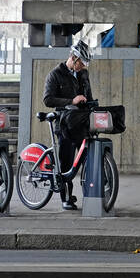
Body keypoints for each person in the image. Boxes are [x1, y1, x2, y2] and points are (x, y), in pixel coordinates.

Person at [42, 40, 94, 211]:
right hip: (64, 124)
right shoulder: (55, 75)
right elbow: (48, 99)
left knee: (89, 156)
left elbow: (89, 97)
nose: (83, 66)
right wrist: (71, 101)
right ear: (73, 58)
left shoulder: (83, 75)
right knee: (66, 161)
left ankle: (93, 191)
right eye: (82, 63)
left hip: (81, 122)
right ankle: (66, 198)